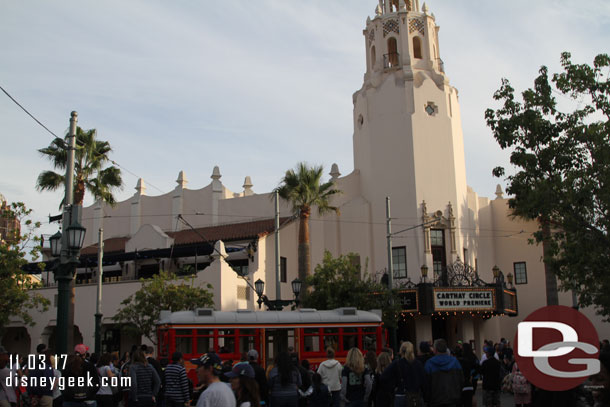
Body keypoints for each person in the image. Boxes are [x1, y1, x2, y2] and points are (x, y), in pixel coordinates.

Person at [380, 341, 425, 407]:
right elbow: (424, 381)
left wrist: (392, 388)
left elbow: (383, 377)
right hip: (415, 396)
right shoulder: (418, 364)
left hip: (400, 395)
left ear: (401, 350)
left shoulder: (397, 363)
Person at [424, 338, 463, 407]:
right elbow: (461, 380)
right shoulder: (455, 361)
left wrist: (427, 400)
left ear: (435, 350)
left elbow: (426, 384)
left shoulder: (429, 363)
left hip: (435, 401)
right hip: (452, 399)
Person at [457, 343, 478, 407]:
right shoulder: (474, 356)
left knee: (464, 397)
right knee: (472, 394)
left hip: (465, 379)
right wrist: (473, 375)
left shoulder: (463, 357)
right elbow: (478, 367)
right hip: (473, 379)